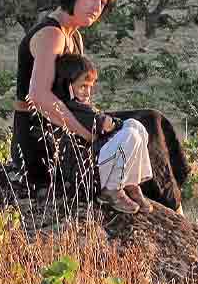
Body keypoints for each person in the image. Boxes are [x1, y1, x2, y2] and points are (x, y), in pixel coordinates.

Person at [11, 0, 192, 213]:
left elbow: (78, 100)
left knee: (148, 122)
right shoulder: (51, 34)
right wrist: (87, 134)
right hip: (40, 138)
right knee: (147, 121)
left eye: (103, 1)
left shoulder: (74, 37)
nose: (97, 7)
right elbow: (38, 96)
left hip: (65, 125)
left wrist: (98, 123)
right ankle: (171, 210)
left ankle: (165, 203)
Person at [52, 53, 153, 214]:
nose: (88, 92)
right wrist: (114, 123)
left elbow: (108, 124)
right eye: (83, 86)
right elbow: (107, 125)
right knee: (131, 135)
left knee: (136, 126)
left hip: (93, 165)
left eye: (90, 86)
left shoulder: (78, 105)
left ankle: (130, 183)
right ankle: (111, 190)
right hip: (88, 177)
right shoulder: (73, 107)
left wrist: (113, 123)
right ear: (68, 86)